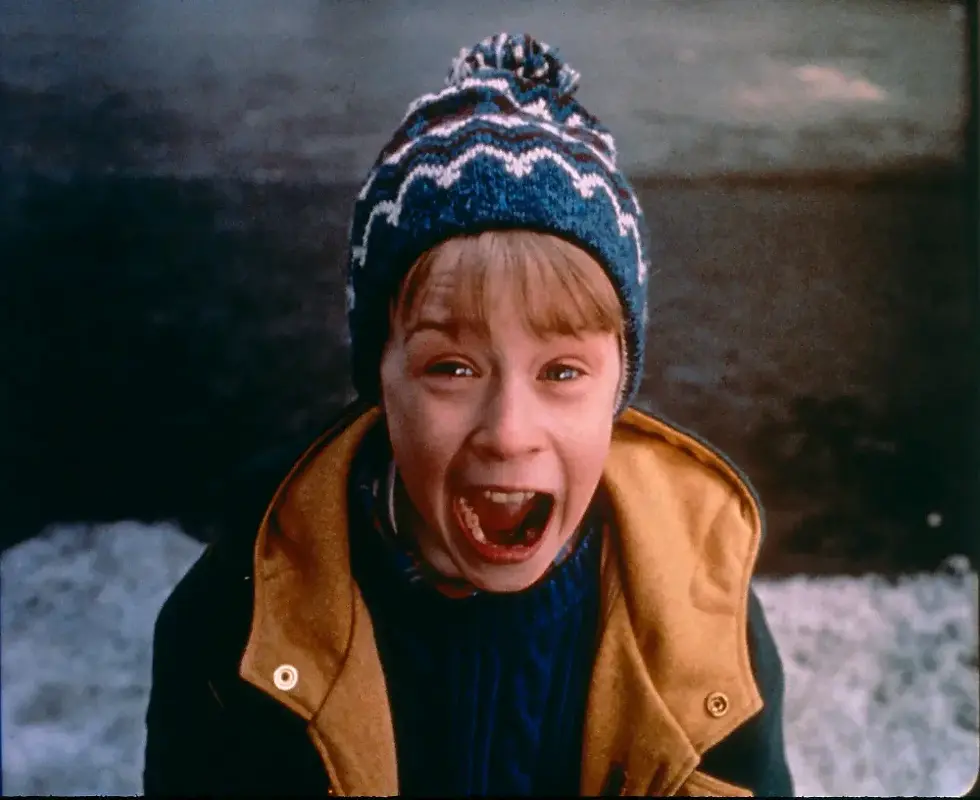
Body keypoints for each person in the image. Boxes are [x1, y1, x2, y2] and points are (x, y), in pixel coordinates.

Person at [143, 32, 794, 797]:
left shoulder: (707, 627)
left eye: (562, 372)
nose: (510, 433)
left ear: (618, 388)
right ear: (380, 379)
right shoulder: (233, 618)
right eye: (452, 368)